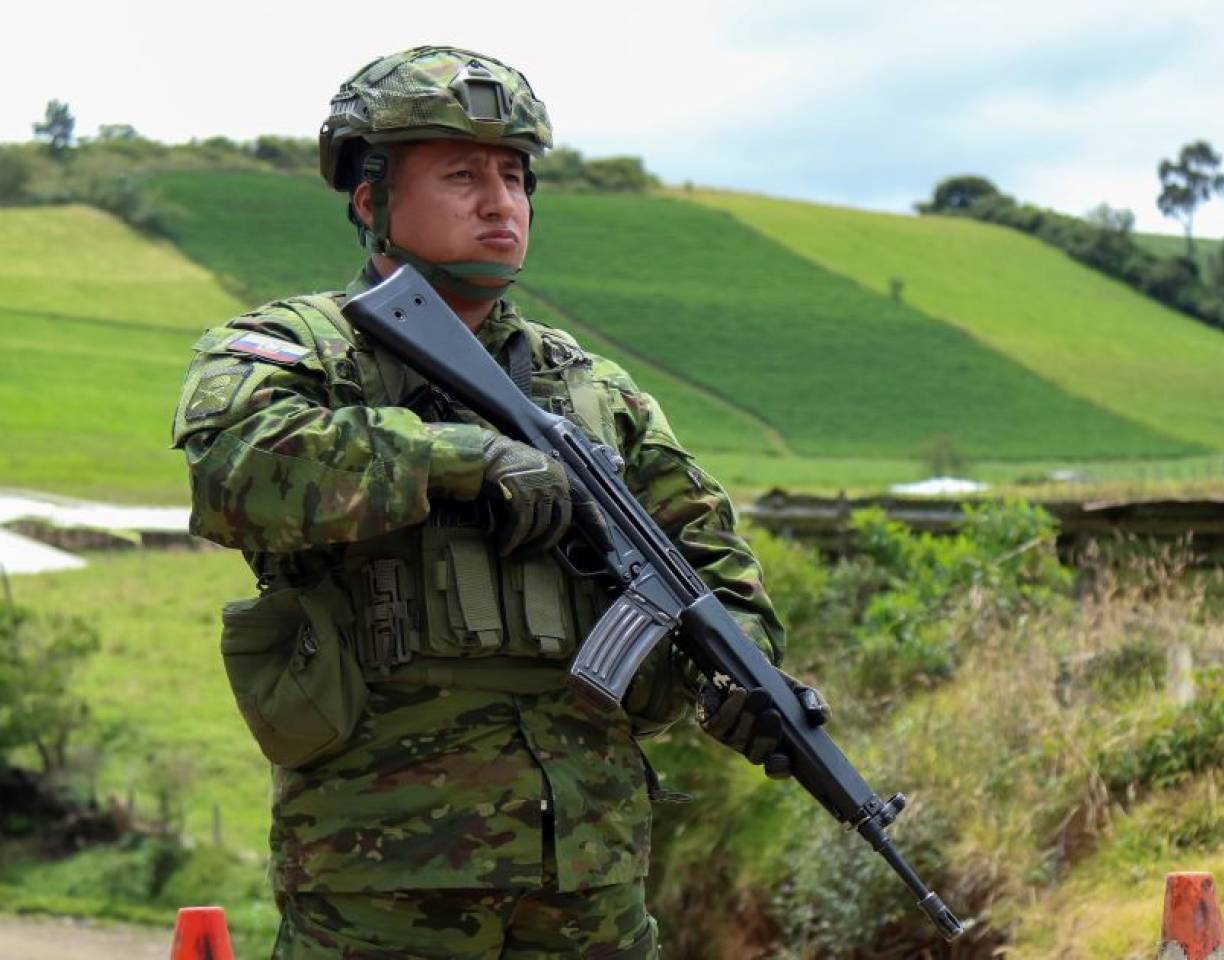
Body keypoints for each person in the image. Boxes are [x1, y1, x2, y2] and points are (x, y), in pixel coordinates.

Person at [173, 45, 801, 959]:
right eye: (462, 174)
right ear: (370, 198)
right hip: (383, 861)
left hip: (590, 867)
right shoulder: (293, 347)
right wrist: (458, 458)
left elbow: (705, 550)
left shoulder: (595, 391)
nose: (500, 201)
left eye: (514, 175)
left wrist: (751, 677)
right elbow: (236, 470)